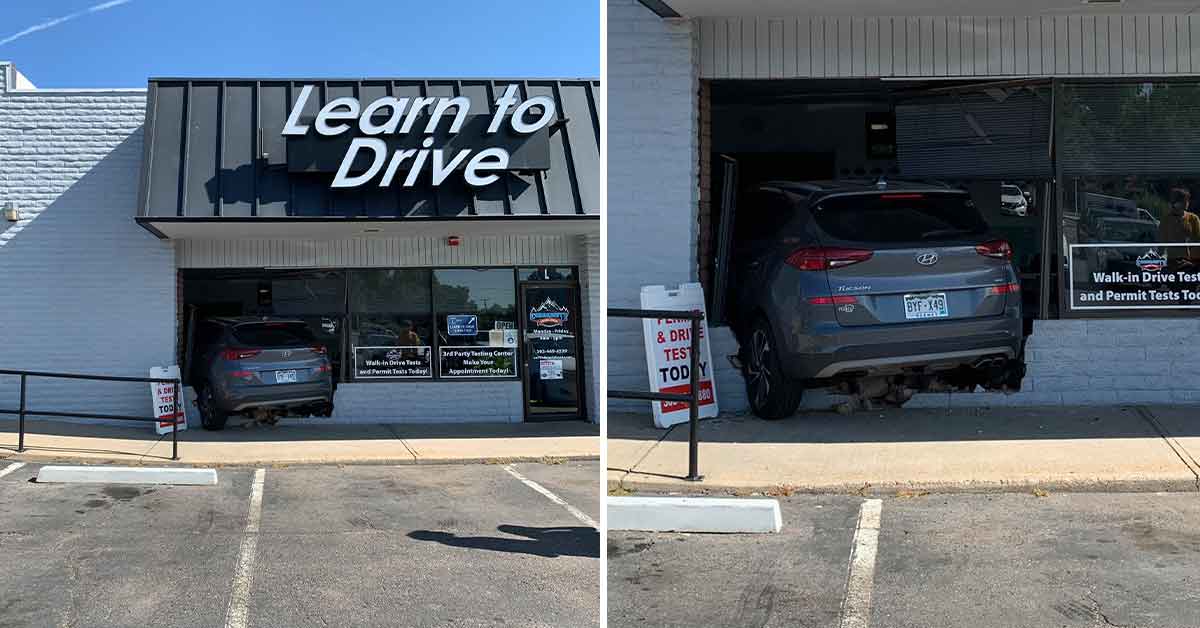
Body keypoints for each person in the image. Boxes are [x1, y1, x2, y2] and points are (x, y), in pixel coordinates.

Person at [1157, 187, 1200, 267]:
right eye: (1184, 201)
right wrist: (1159, 264)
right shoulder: (1166, 220)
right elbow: (1161, 245)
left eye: (1187, 200)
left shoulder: (1193, 218)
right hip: (1172, 262)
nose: (1187, 203)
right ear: (1176, 203)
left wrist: (1194, 263)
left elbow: (1197, 242)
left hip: (1190, 262)